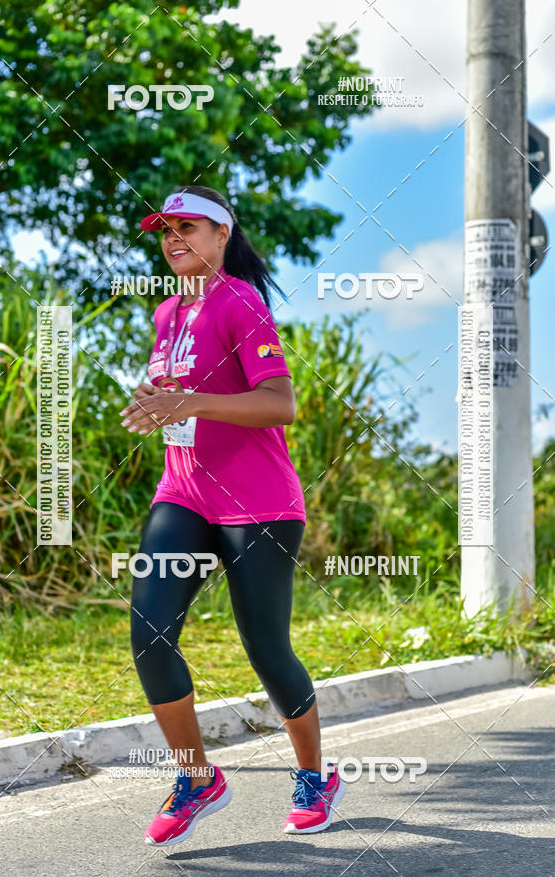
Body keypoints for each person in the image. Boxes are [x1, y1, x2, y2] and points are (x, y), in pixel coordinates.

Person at [120, 186, 344, 847]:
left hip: (258, 500)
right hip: (184, 491)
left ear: (221, 234)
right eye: (165, 230)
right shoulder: (166, 314)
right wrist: (160, 400)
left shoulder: (240, 301)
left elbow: (279, 403)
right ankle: (196, 779)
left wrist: (192, 402)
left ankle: (314, 776)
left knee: (266, 648)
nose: (173, 239)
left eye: (188, 227)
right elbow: (186, 393)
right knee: (149, 631)